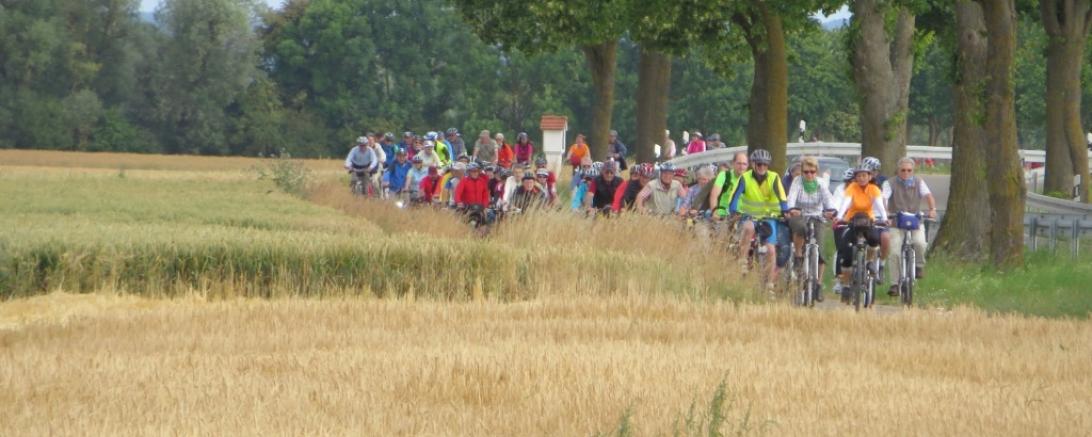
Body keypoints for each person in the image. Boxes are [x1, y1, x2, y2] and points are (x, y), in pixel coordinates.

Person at [727, 149, 788, 285]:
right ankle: (742, 261)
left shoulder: (774, 177)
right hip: (750, 215)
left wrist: (784, 210)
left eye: (765, 165)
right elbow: (735, 196)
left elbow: (782, 197)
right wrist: (733, 210)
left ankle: (770, 285)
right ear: (753, 164)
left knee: (771, 250)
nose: (762, 167)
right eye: (759, 164)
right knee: (748, 228)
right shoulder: (745, 177)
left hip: (768, 217)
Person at [882, 157, 937, 295]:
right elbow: (884, 198)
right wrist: (886, 213)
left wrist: (932, 209)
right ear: (898, 170)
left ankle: (919, 265)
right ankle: (894, 283)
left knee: (920, 243)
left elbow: (928, 195)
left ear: (913, 171)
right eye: (903, 170)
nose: (906, 173)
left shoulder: (919, 182)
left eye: (909, 170)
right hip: (896, 221)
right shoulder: (889, 183)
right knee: (894, 252)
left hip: (915, 220)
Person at [786, 156, 837, 300]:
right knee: (800, 228)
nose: (809, 175)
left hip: (817, 216)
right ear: (802, 172)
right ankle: (798, 256)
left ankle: (819, 285)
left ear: (817, 172)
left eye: (812, 172)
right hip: (800, 214)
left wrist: (832, 210)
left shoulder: (821, 184)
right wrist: (791, 208)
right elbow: (791, 197)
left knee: (820, 250)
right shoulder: (797, 182)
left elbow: (829, 200)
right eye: (806, 172)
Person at [834, 166, 890, 292]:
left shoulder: (874, 189)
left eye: (864, 175)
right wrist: (839, 216)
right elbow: (846, 202)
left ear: (870, 177)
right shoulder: (852, 187)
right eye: (859, 176)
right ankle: (846, 284)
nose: (862, 178)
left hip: (868, 219)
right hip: (852, 219)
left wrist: (885, 218)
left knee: (875, 239)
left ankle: (869, 261)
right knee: (846, 253)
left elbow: (879, 204)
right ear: (855, 178)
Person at [709, 152, 749, 218]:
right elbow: (714, 195)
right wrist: (714, 213)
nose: (741, 167)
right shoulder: (724, 175)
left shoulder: (749, 179)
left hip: (742, 217)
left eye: (744, 164)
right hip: (724, 215)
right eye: (739, 163)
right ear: (733, 163)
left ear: (747, 165)